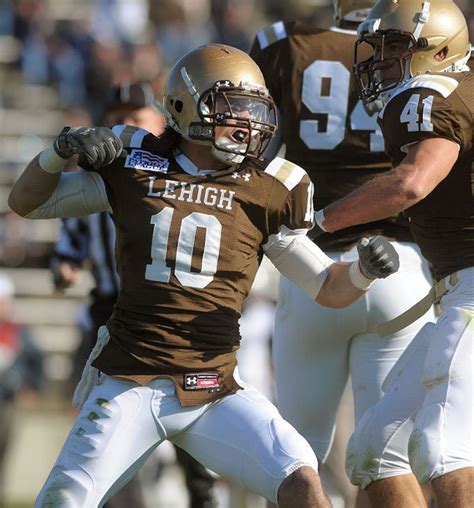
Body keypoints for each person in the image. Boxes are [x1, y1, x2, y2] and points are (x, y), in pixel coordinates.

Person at [8, 43, 400, 508]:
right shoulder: (135, 165)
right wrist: (59, 150)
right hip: (131, 383)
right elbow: (28, 203)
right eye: (233, 107)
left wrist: (363, 272)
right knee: (63, 501)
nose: (248, 122)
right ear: (183, 105)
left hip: (215, 390)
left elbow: (328, 287)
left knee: (301, 479)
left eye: (255, 109)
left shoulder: (270, 190)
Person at [249, 1, 435, 504]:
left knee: (294, 456)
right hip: (403, 265)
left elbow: (247, 157)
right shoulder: (427, 41)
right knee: (388, 460)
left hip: (313, 264)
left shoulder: (284, 43)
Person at [307, 1, 473, 506]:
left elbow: (411, 182)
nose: (381, 60)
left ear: (438, 49)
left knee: (442, 448)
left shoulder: (431, 96)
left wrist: (321, 221)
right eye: (378, 47)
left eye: (396, 46)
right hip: (456, 289)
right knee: (375, 453)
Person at [51, 81, 216, 508]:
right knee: (103, 424)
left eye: (136, 117)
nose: (125, 125)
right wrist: (63, 269)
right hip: (110, 313)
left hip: (173, 310)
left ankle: (203, 497)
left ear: (162, 123)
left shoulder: (179, 174)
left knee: (188, 415)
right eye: (118, 117)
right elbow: (67, 246)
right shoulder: (91, 178)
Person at [0, 272, 44, 508]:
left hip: (6, 402)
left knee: (4, 451)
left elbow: (36, 359)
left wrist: (31, 387)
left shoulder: (17, 330)